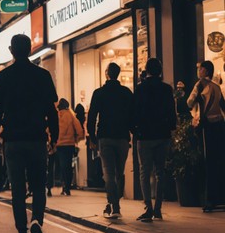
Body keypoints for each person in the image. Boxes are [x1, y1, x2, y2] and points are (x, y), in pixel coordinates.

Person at [0, 34, 58, 233]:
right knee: (39, 186)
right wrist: (54, 137)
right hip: (37, 139)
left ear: (11, 50)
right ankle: (36, 220)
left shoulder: (4, 77)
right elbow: (51, 110)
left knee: (17, 191)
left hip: (13, 140)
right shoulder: (42, 75)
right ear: (30, 49)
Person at [87, 62, 134, 220]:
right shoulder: (126, 92)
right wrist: (133, 133)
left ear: (107, 73)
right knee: (119, 173)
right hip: (122, 137)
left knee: (108, 173)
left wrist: (92, 138)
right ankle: (114, 204)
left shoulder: (99, 93)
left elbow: (92, 117)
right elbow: (132, 115)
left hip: (105, 137)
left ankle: (114, 206)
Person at [133, 58, 177, 221]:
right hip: (162, 135)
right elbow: (171, 111)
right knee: (160, 172)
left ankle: (148, 207)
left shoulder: (140, 89)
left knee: (144, 172)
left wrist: (135, 131)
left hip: (144, 136)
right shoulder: (166, 89)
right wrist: (171, 129)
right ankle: (158, 207)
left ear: (147, 71)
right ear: (160, 71)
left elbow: (134, 112)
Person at [186, 61, 225, 212]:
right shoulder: (216, 86)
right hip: (219, 125)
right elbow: (223, 105)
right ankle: (220, 197)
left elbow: (190, 102)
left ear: (205, 70)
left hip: (205, 125)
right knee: (218, 160)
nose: (198, 71)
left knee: (207, 161)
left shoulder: (200, 85)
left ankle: (210, 199)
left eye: (200, 68)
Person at [55, 98, 84, 195]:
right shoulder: (71, 116)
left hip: (59, 145)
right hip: (70, 144)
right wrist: (76, 139)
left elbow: (49, 129)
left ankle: (64, 186)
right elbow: (79, 130)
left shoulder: (56, 116)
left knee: (62, 165)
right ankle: (67, 186)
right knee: (68, 165)